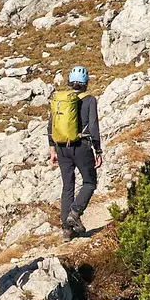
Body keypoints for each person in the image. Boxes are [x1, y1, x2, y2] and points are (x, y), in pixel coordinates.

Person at [47, 65, 102, 239]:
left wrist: (52, 149)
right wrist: (98, 150)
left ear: (70, 82)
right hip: (81, 146)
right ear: (86, 83)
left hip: (62, 147)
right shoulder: (90, 100)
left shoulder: (60, 99)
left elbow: (51, 126)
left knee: (67, 186)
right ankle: (75, 214)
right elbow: (93, 126)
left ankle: (66, 230)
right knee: (90, 182)